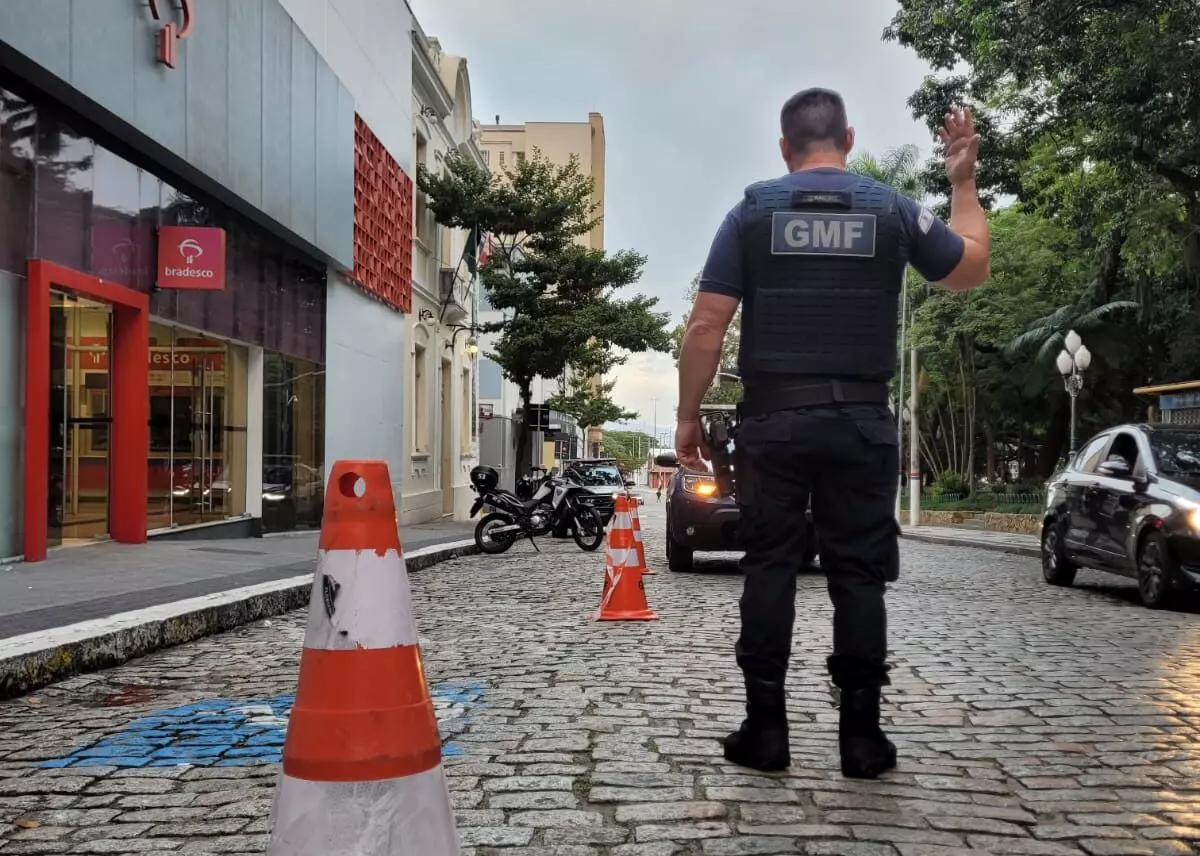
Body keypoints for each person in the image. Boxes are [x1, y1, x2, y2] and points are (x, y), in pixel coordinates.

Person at [674, 88, 991, 779]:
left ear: (785, 148)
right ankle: (863, 740)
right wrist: (962, 182)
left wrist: (687, 416)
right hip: (861, 424)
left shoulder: (752, 212)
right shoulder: (891, 210)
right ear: (847, 138)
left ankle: (766, 731)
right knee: (858, 577)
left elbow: (705, 326)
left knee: (771, 570)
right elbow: (971, 267)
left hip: (775, 424)